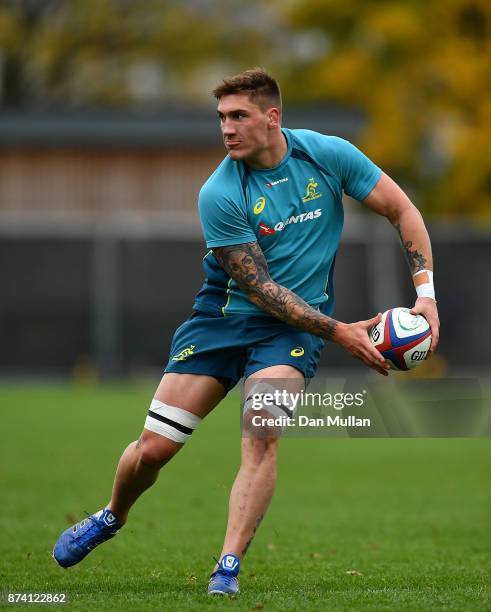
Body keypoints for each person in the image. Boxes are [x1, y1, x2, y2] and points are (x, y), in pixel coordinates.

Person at [53, 68, 440, 596]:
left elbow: (402, 210)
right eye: (221, 118)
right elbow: (260, 291)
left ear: (271, 118)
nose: (227, 129)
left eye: (238, 116)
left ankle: (226, 567)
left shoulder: (327, 155)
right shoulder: (219, 192)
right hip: (223, 322)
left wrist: (426, 296)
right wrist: (340, 332)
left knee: (261, 429)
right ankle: (112, 516)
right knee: (153, 451)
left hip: (290, 333)